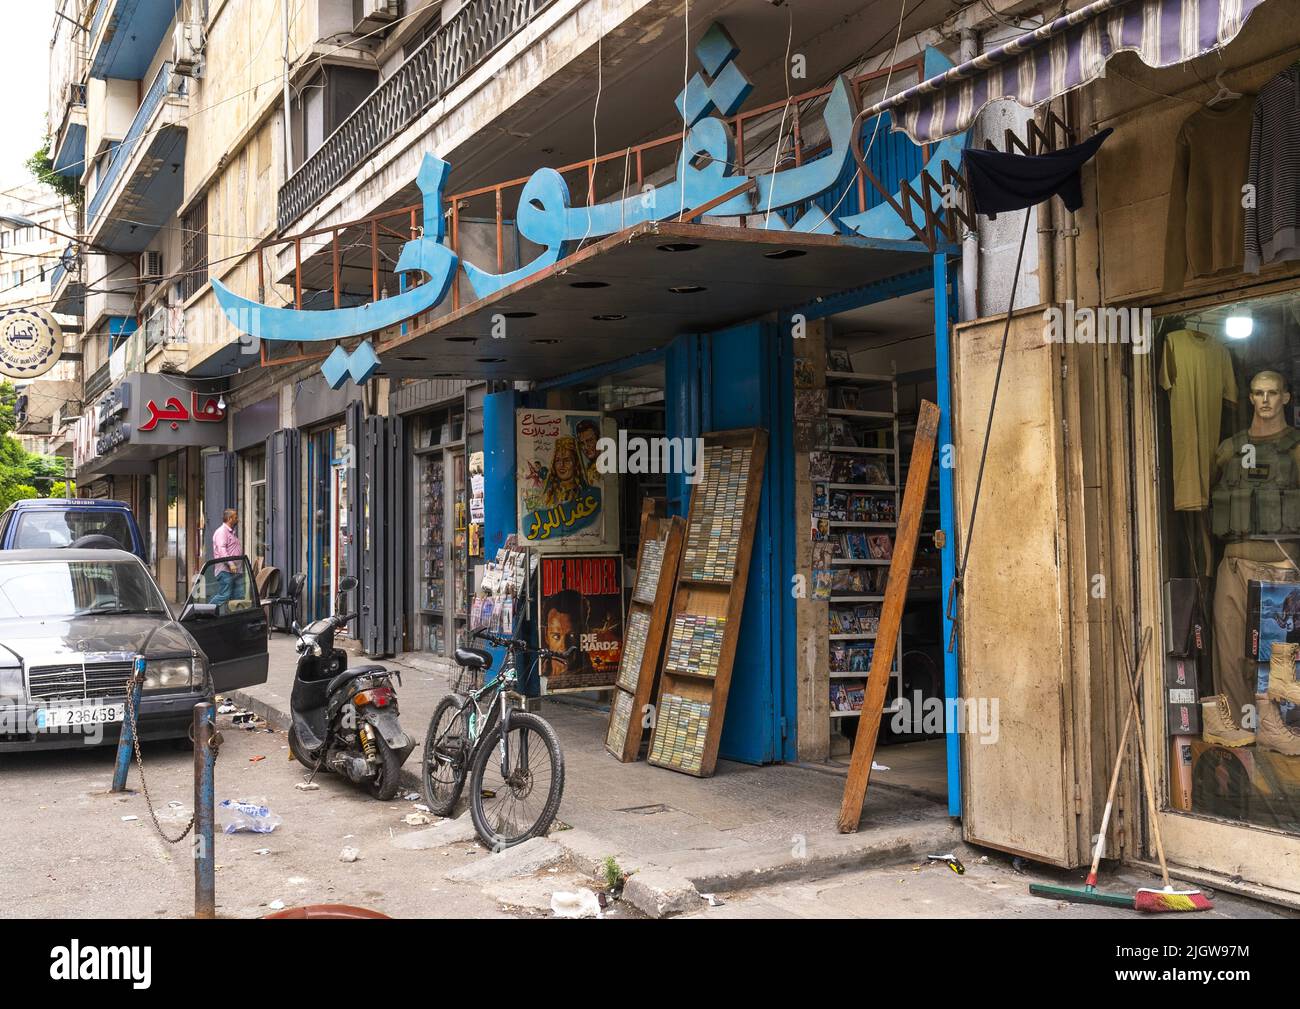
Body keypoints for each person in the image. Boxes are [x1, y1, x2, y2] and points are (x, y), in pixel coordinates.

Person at [210, 508, 244, 609]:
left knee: (238, 597)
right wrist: (231, 563)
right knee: (224, 596)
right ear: (230, 519)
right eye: (236, 517)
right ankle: (204, 611)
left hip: (235, 572)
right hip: (226, 571)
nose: (238, 519)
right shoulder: (222, 532)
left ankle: (235, 620)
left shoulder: (230, 532)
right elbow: (222, 550)